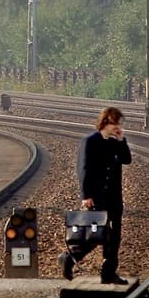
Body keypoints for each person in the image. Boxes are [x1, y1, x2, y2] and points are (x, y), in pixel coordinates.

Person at [60, 106, 131, 285]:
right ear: (107, 122)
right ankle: (68, 257)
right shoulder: (90, 141)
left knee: (114, 237)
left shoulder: (115, 143)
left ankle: (108, 273)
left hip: (114, 198)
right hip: (97, 196)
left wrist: (122, 140)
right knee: (94, 235)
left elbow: (126, 159)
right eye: (117, 123)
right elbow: (84, 169)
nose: (119, 127)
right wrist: (86, 195)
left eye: (120, 124)